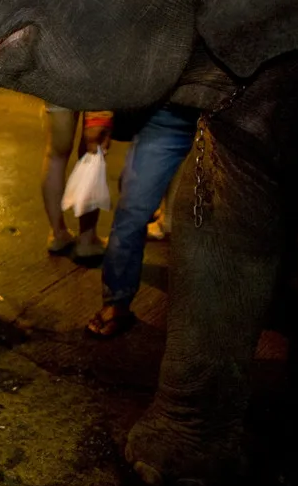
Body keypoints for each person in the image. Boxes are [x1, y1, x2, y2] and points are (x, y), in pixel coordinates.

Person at [85, 104, 197, 338]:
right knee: (132, 210)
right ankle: (117, 301)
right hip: (171, 116)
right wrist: (99, 115)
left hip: (241, 118)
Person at [42, 108, 111, 261]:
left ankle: (58, 234)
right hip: (94, 86)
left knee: (55, 153)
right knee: (93, 147)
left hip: (59, 83)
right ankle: (88, 239)